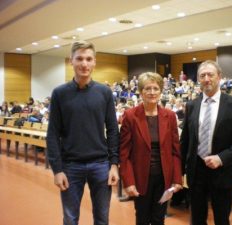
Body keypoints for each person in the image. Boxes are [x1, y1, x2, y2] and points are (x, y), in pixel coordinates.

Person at [47, 41, 119, 225]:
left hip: (101, 165)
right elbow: (53, 134)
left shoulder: (104, 93)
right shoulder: (59, 94)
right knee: (70, 219)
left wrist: (114, 164)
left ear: (94, 62)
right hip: (70, 166)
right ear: (71, 61)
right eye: (79, 58)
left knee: (102, 218)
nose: (84, 64)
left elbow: (112, 130)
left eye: (88, 59)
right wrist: (57, 170)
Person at [180, 60, 232, 225]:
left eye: (210, 75)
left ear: (219, 77)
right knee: (196, 218)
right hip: (196, 170)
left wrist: (221, 158)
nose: (206, 79)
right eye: (202, 75)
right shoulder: (192, 105)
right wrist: (179, 170)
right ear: (198, 79)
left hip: (221, 171)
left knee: (221, 218)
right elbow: (185, 141)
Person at [120, 72, 182, 225]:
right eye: (147, 88)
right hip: (141, 177)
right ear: (141, 92)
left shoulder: (170, 116)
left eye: (155, 88)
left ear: (161, 91)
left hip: (163, 178)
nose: (152, 92)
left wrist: (176, 178)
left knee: (159, 219)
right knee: (142, 218)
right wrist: (128, 181)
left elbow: (175, 151)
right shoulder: (130, 116)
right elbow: (124, 153)